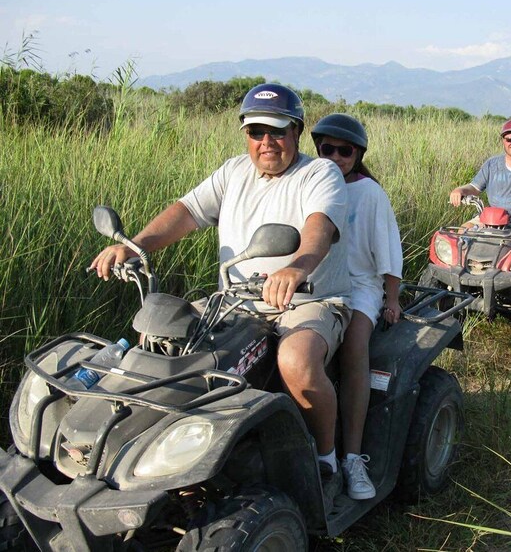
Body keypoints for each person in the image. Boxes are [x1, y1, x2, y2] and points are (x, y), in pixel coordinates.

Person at [90, 83, 350, 499]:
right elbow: (187, 212)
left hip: (306, 299)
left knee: (296, 360)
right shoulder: (233, 172)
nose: (267, 142)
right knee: (159, 332)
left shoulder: (319, 173)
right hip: (234, 300)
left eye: (278, 131)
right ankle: (143, 445)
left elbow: (319, 229)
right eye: (256, 132)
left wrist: (296, 267)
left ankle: (324, 458)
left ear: (297, 131)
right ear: (245, 134)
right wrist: (135, 247)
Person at [311, 113, 403, 500]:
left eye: (344, 150)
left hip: (359, 285)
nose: (335, 156)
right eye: (326, 148)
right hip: (316, 280)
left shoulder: (369, 193)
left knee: (352, 346)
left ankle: (352, 457)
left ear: (358, 153)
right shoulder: (309, 184)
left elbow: (388, 251)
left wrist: (392, 298)